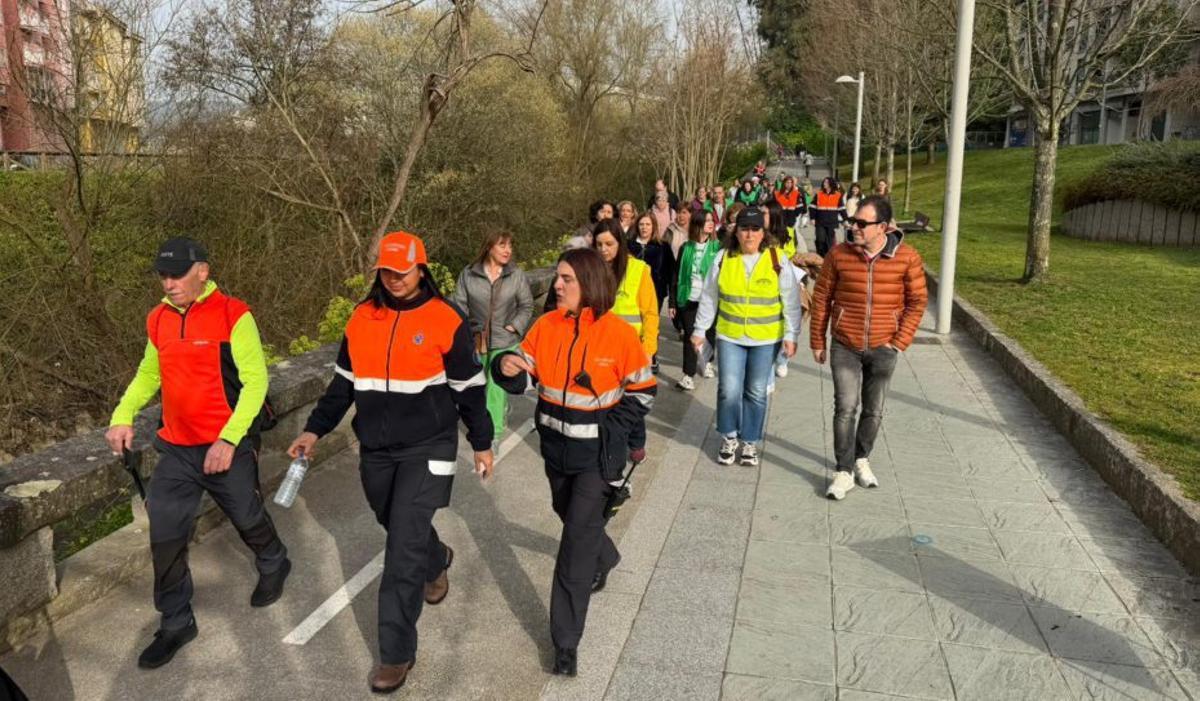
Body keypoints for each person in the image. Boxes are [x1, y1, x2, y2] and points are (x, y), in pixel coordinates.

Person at [289, 232, 494, 693]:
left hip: (430, 447)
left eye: (403, 271)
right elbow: (342, 384)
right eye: (387, 271)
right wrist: (314, 429)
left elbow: (468, 390)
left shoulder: (445, 319)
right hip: (377, 450)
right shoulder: (362, 318)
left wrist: (481, 442)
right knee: (394, 522)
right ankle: (436, 556)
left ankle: (396, 654)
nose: (395, 279)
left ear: (421, 268)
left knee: (401, 549)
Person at [105, 237, 288, 669]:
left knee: (246, 515)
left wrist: (228, 440)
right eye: (163, 276)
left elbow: (256, 383)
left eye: (176, 275)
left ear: (202, 271)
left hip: (228, 444)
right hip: (178, 449)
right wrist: (122, 414)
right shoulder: (158, 319)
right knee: (165, 535)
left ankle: (274, 559)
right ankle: (175, 621)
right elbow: (149, 373)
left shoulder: (233, 315)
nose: (168, 284)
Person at [493, 247, 656, 677]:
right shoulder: (545, 326)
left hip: (597, 458)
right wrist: (507, 366)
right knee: (568, 515)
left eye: (566, 279)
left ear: (589, 283)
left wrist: (612, 429)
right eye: (558, 278)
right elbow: (523, 371)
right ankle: (606, 554)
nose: (558, 285)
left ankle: (565, 642)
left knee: (573, 547)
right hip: (556, 451)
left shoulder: (619, 334)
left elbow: (643, 391)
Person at [810, 196, 927, 501]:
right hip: (845, 344)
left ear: (884, 228)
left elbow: (917, 302)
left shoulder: (907, 258)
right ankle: (844, 470)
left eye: (862, 223)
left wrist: (899, 341)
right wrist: (817, 341)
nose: (854, 227)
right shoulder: (839, 254)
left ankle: (861, 458)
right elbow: (821, 298)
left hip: (884, 346)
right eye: (852, 221)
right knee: (845, 408)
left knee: (873, 410)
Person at [692, 208, 801, 467]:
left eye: (755, 229)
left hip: (765, 339)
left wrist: (791, 334)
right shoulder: (723, 258)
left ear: (763, 233)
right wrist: (699, 330)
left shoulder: (778, 259)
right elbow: (709, 297)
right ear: (736, 231)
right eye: (744, 228)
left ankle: (749, 440)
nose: (749, 234)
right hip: (730, 336)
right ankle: (729, 436)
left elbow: (791, 300)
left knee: (755, 391)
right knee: (728, 389)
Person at [452, 231, 535, 440]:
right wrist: (466, 332)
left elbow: (526, 305)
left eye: (510, 245)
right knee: (479, 386)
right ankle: (495, 415)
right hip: (476, 340)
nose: (508, 250)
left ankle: (493, 433)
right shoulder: (468, 274)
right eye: (502, 245)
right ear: (489, 247)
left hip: (505, 341)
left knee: (495, 388)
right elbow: (459, 306)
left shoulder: (516, 274)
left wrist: (515, 326)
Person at [669, 210, 721, 390]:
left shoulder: (718, 247)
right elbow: (675, 275)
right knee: (691, 337)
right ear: (697, 224)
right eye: (706, 221)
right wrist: (672, 302)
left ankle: (707, 361)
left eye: (711, 220)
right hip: (689, 298)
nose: (710, 223)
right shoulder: (686, 247)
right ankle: (688, 375)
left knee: (709, 334)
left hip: (711, 300)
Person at [613, 216, 664, 375]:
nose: (604, 249)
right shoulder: (630, 246)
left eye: (648, 224)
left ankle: (653, 357)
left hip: (653, 291)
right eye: (641, 224)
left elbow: (669, 272)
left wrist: (649, 351)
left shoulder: (662, 247)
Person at [812, 177, 846, 257]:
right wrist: (812, 218)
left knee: (829, 242)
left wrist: (845, 219)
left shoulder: (838, 195)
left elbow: (842, 208)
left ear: (831, 184)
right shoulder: (819, 194)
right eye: (824, 182)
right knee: (820, 239)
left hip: (831, 222)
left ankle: (828, 257)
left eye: (826, 182)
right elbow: (812, 206)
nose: (824, 184)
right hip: (820, 221)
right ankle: (820, 255)